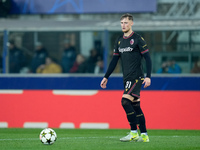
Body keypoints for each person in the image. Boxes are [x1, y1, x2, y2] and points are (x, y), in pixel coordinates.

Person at [100, 13, 152, 142]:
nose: (123, 25)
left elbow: (148, 58)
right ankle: (144, 135)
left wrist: (148, 76)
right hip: (126, 78)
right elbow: (114, 60)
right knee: (136, 107)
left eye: (126, 23)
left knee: (125, 101)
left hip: (136, 77)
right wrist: (106, 76)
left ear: (131, 23)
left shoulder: (138, 39)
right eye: (122, 23)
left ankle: (134, 132)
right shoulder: (119, 40)